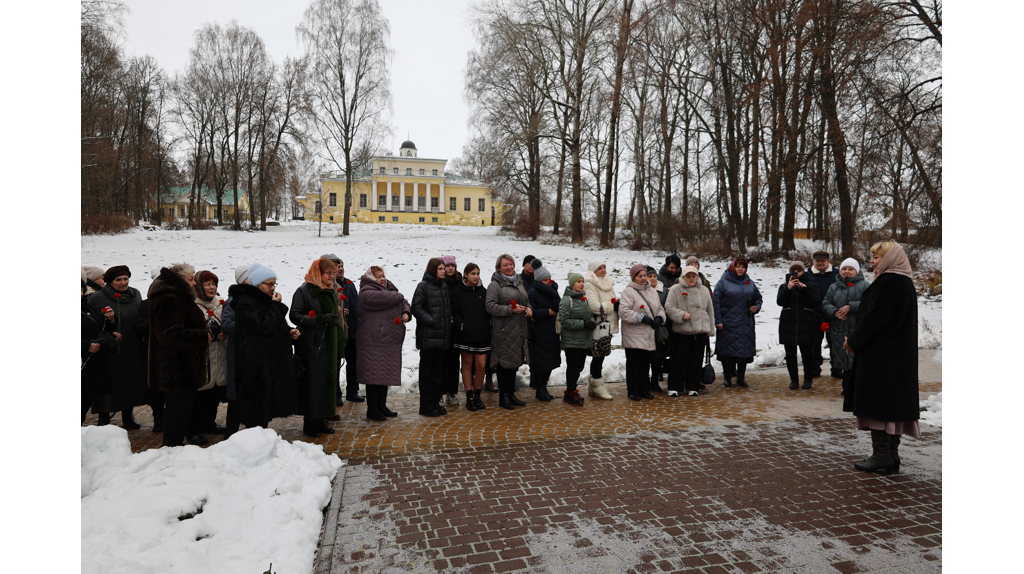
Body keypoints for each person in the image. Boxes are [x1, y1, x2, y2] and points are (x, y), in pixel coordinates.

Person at [843, 241, 920, 474]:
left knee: (880, 403)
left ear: (888, 259)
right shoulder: (904, 282)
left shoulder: (888, 282)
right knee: (893, 404)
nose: (871, 262)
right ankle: (891, 456)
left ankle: (882, 455)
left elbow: (874, 318)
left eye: (875, 258)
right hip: (897, 356)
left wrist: (853, 341)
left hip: (882, 356)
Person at [148, 264, 211, 447]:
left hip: (181, 365)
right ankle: (171, 447)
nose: (193, 283)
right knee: (177, 409)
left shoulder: (176, 297)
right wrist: (201, 336)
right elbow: (168, 333)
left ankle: (174, 444)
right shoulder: (169, 298)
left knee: (181, 408)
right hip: (175, 366)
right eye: (190, 279)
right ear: (179, 281)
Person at [231, 263, 300, 430]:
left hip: (267, 362)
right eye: (268, 284)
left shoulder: (264, 302)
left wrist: (288, 331)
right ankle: (255, 441)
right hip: (253, 364)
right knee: (254, 406)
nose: (272, 288)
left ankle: (261, 437)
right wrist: (276, 305)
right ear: (257, 284)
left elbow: (274, 326)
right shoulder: (245, 302)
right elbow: (264, 325)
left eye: (274, 284)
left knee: (265, 404)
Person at [290, 258, 347, 437]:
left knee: (327, 383)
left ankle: (322, 419)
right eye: (328, 273)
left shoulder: (329, 290)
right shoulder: (304, 291)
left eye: (333, 272)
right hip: (312, 346)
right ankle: (310, 423)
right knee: (313, 384)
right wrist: (320, 319)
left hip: (329, 346)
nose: (332, 276)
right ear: (318, 274)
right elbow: (295, 315)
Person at [88, 265, 144, 429]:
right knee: (107, 382)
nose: (123, 282)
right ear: (109, 282)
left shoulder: (135, 294)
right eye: (118, 280)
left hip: (131, 345)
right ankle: (103, 417)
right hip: (108, 348)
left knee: (130, 381)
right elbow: (91, 323)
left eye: (125, 279)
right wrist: (109, 322)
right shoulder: (98, 298)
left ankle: (128, 416)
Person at [356, 266, 412, 420]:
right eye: (378, 277)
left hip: (386, 340)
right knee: (373, 376)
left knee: (383, 373)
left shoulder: (389, 290)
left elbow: (404, 302)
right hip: (372, 341)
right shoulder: (366, 292)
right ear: (372, 279)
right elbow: (394, 298)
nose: (382, 279)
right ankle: (372, 409)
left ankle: (381, 406)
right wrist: (398, 296)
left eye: (383, 276)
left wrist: (406, 312)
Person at [486, 254, 534, 410]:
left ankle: (511, 394)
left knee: (514, 363)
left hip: (519, 329)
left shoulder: (518, 281)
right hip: (504, 331)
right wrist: (510, 309)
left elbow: (525, 300)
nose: (509, 267)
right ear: (499, 268)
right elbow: (490, 306)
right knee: (504, 364)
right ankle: (503, 396)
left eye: (511, 264)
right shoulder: (495, 285)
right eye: (505, 265)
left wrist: (528, 308)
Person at [664, 266, 716, 397]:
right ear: (683, 277)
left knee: (696, 360)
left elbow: (710, 310)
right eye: (688, 276)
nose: (691, 279)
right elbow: (669, 308)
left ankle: (693, 386)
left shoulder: (704, 290)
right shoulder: (676, 289)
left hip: (700, 330)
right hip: (682, 331)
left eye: (694, 276)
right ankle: (674, 387)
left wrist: (710, 328)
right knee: (678, 360)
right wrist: (681, 315)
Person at [618, 264, 667, 400]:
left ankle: (644, 389)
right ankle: (633, 391)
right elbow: (624, 311)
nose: (643, 278)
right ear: (634, 277)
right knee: (634, 365)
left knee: (645, 365)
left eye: (644, 275)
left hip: (648, 334)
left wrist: (659, 318)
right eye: (640, 276)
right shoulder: (628, 292)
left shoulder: (652, 291)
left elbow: (660, 308)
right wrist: (641, 318)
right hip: (634, 335)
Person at [412, 258, 453, 417]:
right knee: (427, 374)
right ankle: (426, 406)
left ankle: (435, 402)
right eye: (441, 269)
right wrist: (432, 321)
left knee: (438, 373)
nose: (444, 271)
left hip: (441, 338)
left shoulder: (443, 286)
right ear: (433, 270)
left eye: (444, 268)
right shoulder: (423, 286)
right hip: (428, 338)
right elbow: (416, 307)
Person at [713, 257, 762, 388]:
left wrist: (756, 307)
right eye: (738, 266)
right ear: (732, 267)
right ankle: (727, 377)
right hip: (728, 323)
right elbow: (715, 302)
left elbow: (758, 298)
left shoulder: (749, 282)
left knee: (743, 351)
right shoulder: (723, 282)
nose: (740, 269)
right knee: (726, 352)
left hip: (745, 322)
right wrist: (718, 321)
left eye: (743, 267)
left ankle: (741, 377)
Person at [191, 270, 228, 437]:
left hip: (220, 354)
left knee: (215, 392)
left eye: (214, 284)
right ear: (199, 286)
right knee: (200, 395)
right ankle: (195, 428)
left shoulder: (221, 302)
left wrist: (225, 333)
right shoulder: (192, 304)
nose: (211, 287)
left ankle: (209, 423)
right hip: (202, 356)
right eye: (207, 284)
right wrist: (212, 335)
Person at [822, 258, 869, 389]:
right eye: (844, 269)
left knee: (856, 360)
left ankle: (856, 388)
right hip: (839, 329)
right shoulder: (834, 287)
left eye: (850, 269)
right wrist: (834, 312)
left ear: (857, 271)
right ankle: (846, 388)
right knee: (842, 358)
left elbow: (870, 304)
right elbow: (825, 303)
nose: (847, 271)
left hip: (857, 328)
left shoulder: (865, 286)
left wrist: (851, 307)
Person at [450, 263, 490, 411]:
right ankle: (469, 396)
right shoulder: (457, 292)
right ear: (465, 274)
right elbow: (454, 312)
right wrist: (462, 325)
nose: (476, 276)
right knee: (467, 365)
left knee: (481, 366)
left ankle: (478, 394)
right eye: (473, 273)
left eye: (478, 273)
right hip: (464, 335)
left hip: (482, 335)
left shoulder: (484, 291)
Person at [777, 261, 822, 390]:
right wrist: (789, 288)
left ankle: (808, 380)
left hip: (806, 324)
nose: (796, 273)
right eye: (794, 270)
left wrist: (804, 290)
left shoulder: (811, 285)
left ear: (803, 272)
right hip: (788, 325)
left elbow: (815, 302)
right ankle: (794, 380)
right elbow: (780, 302)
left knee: (807, 354)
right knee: (790, 354)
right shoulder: (784, 286)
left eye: (799, 270)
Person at [322, 254, 359, 406]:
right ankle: (336, 394)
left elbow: (357, 305)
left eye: (342, 266)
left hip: (352, 331)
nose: (340, 269)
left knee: (353, 362)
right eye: (337, 266)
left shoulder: (350, 284)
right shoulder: (328, 286)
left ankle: (352, 391)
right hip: (336, 332)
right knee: (336, 364)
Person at [220, 264, 249, 437]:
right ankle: (230, 435)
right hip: (239, 356)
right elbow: (228, 325)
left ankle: (256, 435)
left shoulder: (260, 300)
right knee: (236, 398)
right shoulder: (232, 302)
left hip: (255, 355)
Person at [132, 267, 163, 432]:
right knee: (156, 390)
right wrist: (154, 319)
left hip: (175, 351)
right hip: (154, 353)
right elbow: (137, 328)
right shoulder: (146, 304)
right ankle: (158, 419)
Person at [583, 258, 618, 400]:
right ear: (593, 271)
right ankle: (598, 385)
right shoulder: (590, 284)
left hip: (608, 325)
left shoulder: (607, 282)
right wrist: (612, 306)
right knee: (598, 355)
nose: (603, 270)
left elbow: (610, 300)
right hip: (599, 326)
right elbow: (593, 306)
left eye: (604, 267)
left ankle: (593, 386)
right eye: (599, 268)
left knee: (600, 356)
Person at [82, 280, 116, 423]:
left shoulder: (86, 306)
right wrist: (85, 346)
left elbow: (98, 327)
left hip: (92, 363)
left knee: (85, 401)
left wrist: (110, 320)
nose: (80, 294)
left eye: (81, 290)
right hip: (83, 361)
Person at [526, 263, 560, 402]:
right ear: (539, 281)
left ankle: (544, 387)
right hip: (539, 333)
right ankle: (539, 389)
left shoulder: (551, 291)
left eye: (549, 279)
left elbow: (558, 306)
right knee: (540, 363)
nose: (549, 282)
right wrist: (548, 312)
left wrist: (555, 292)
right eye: (546, 280)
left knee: (550, 361)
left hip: (552, 332)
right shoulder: (532, 292)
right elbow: (531, 312)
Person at [558, 272, 593, 406]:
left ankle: (571, 391)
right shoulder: (567, 300)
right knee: (573, 368)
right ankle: (570, 392)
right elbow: (565, 321)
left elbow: (588, 314)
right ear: (572, 284)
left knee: (579, 367)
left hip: (583, 340)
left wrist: (591, 322)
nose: (581, 284)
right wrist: (584, 324)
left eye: (582, 281)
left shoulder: (583, 299)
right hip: (571, 341)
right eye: (578, 281)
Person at [806, 250, 840, 378]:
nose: (820, 263)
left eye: (823, 261)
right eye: (817, 261)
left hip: (834, 315)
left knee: (835, 344)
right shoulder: (807, 275)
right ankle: (815, 368)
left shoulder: (837, 274)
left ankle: (837, 369)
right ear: (813, 262)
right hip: (814, 316)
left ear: (828, 261)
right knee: (814, 344)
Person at [440, 255, 462, 406]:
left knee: (454, 362)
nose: (450, 268)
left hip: (456, 329)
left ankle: (451, 393)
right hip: (441, 328)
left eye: (452, 265)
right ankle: (439, 393)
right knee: (441, 362)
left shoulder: (461, 283)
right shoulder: (438, 283)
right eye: (447, 266)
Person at [646, 266, 669, 392]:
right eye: (650, 276)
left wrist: (660, 318)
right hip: (646, 328)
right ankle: (645, 381)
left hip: (660, 328)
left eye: (654, 276)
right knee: (647, 357)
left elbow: (667, 307)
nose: (653, 279)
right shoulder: (643, 291)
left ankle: (655, 380)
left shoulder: (664, 291)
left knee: (658, 357)